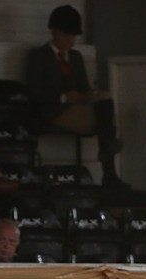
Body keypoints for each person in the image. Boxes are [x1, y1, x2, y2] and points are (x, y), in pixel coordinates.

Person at [26, 4, 128, 190]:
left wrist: (87, 95)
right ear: (54, 32)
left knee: (104, 100)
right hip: (54, 109)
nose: (71, 41)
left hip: (76, 106)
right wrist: (64, 97)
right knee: (105, 120)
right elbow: (33, 91)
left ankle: (108, 158)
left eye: (73, 37)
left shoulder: (76, 57)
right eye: (67, 36)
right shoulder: (39, 56)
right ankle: (109, 168)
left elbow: (83, 86)